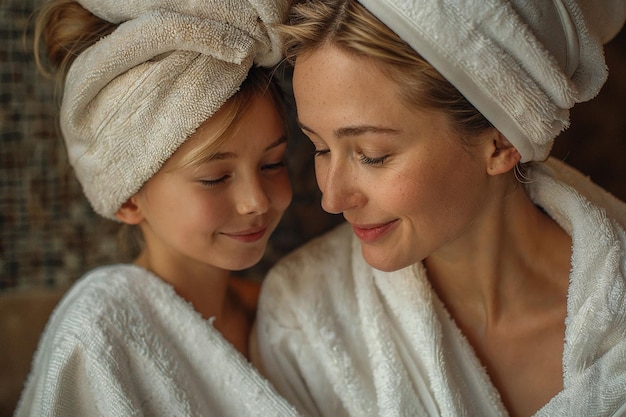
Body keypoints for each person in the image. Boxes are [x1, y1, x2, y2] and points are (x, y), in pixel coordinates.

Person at [253, 0, 626, 416]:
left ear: (501, 141)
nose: (333, 199)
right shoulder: (302, 322)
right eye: (320, 148)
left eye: (372, 155)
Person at [15, 0, 301, 415]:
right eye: (215, 178)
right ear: (129, 196)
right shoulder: (100, 330)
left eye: (272, 164)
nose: (256, 200)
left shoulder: (286, 315)